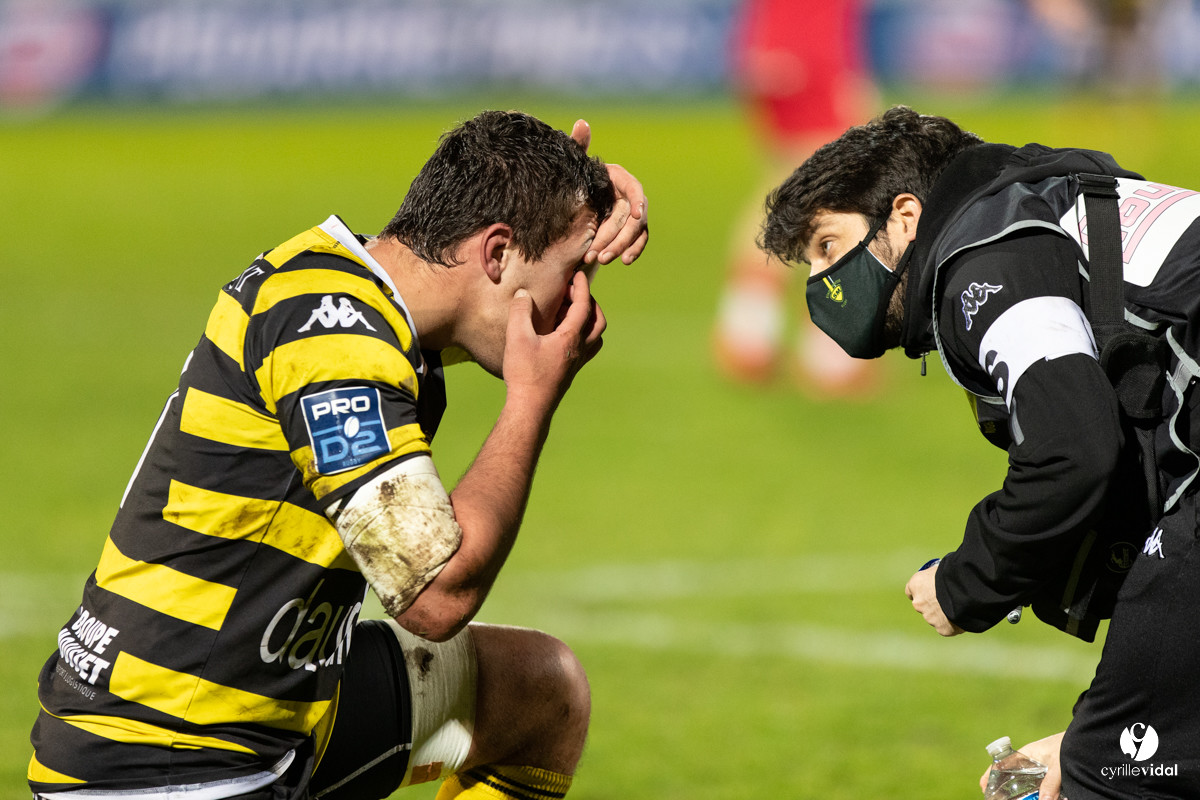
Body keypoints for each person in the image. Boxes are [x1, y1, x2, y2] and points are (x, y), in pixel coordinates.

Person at [28, 110, 648, 800]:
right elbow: (435, 594)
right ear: (497, 253)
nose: (576, 301)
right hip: (167, 757)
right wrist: (533, 400)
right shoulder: (335, 340)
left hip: (272, 716)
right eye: (570, 270)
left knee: (537, 691)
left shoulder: (352, 290)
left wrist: (578, 197)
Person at [758, 105, 1200, 800]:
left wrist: (968, 579)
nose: (822, 283)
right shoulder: (1053, 199)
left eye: (827, 246)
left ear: (905, 217)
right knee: (1107, 762)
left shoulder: (984, 260)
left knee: (1094, 781)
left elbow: (1072, 449)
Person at [711, 0, 880, 396]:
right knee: (832, 199)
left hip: (783, 48)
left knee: (791, 190)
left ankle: (749, 335)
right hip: (810, 54)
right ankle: (826, 356)